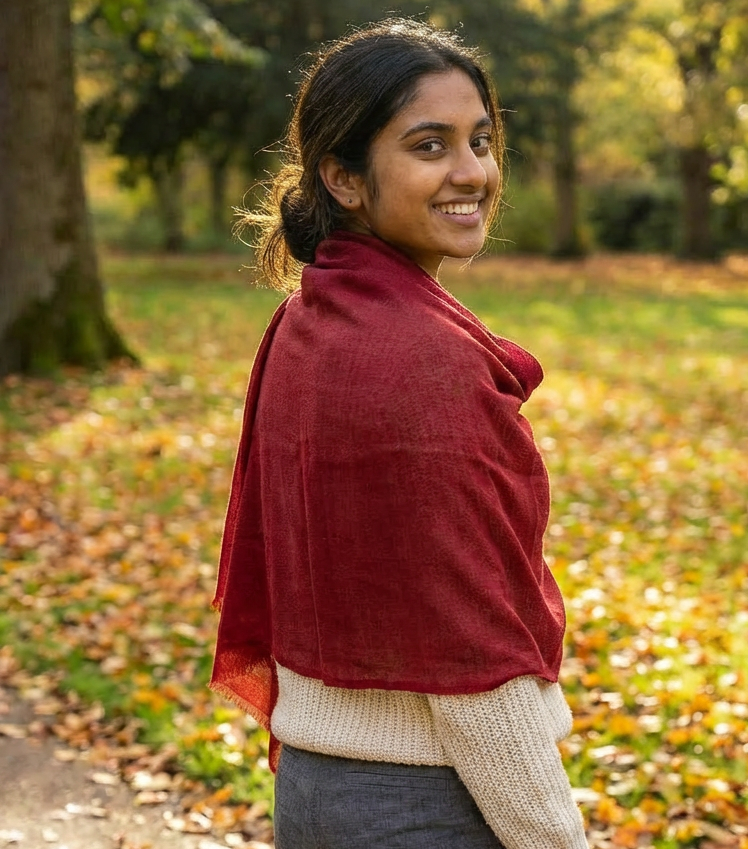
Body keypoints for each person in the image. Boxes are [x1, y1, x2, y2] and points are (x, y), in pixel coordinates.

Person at [210, 18, 591, 849]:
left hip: (318, 792)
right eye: (429, 146)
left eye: (482, 140)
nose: (473, 172)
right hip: (428, 803)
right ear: (343, 177)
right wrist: (559, 837)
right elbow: (471, 662)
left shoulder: (309, 318)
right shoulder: (425, 366)